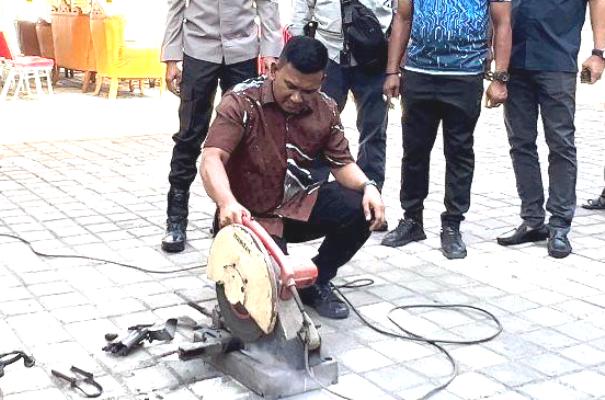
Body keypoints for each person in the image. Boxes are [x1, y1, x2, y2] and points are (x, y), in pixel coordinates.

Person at [200, 36, 386, 319]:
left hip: (296, 208)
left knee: (361, 206)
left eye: (308, 90)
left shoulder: (325, 107)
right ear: (274, 70)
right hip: (247, 217)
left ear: (322, 81)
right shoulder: (241, 101)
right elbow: (212, 157)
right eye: (291, 86)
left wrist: (369, 186)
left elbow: (342, 163)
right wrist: (226, 202)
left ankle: (316, 280)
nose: (297, 98)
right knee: (265, 300)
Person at [381, 0, 512, 259]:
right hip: (418, 72)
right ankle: (412, 220)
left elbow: (503, 22)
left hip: (465, 75)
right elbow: (402, 18)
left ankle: (452, 224)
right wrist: (392, 71)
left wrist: (500, 78)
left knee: (459, 152)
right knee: (414, 151)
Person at [160, 0, 283, 253]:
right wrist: (171, 58)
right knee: (189, 135)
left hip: (242, 51)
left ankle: (228, 215)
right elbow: (176, 6)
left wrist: (271, 50)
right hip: (198, 50)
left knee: (242, 139)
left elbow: (267, 5)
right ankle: (176, 216)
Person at [497, 0, 604, 258]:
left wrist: (599, 52)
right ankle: (532, 219)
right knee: (520, 144)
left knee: (560, 144)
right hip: (515, 60)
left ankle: (559, 224)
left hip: (557, 59)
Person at [289, 0, 393, 195]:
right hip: (328, 53)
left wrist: (395, 66)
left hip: (374, 51)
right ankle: (312, 194)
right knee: (316, 126)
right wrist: (298, 50)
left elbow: (401, 12)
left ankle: (370, 197)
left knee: (374, 131)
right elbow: (302, 8)